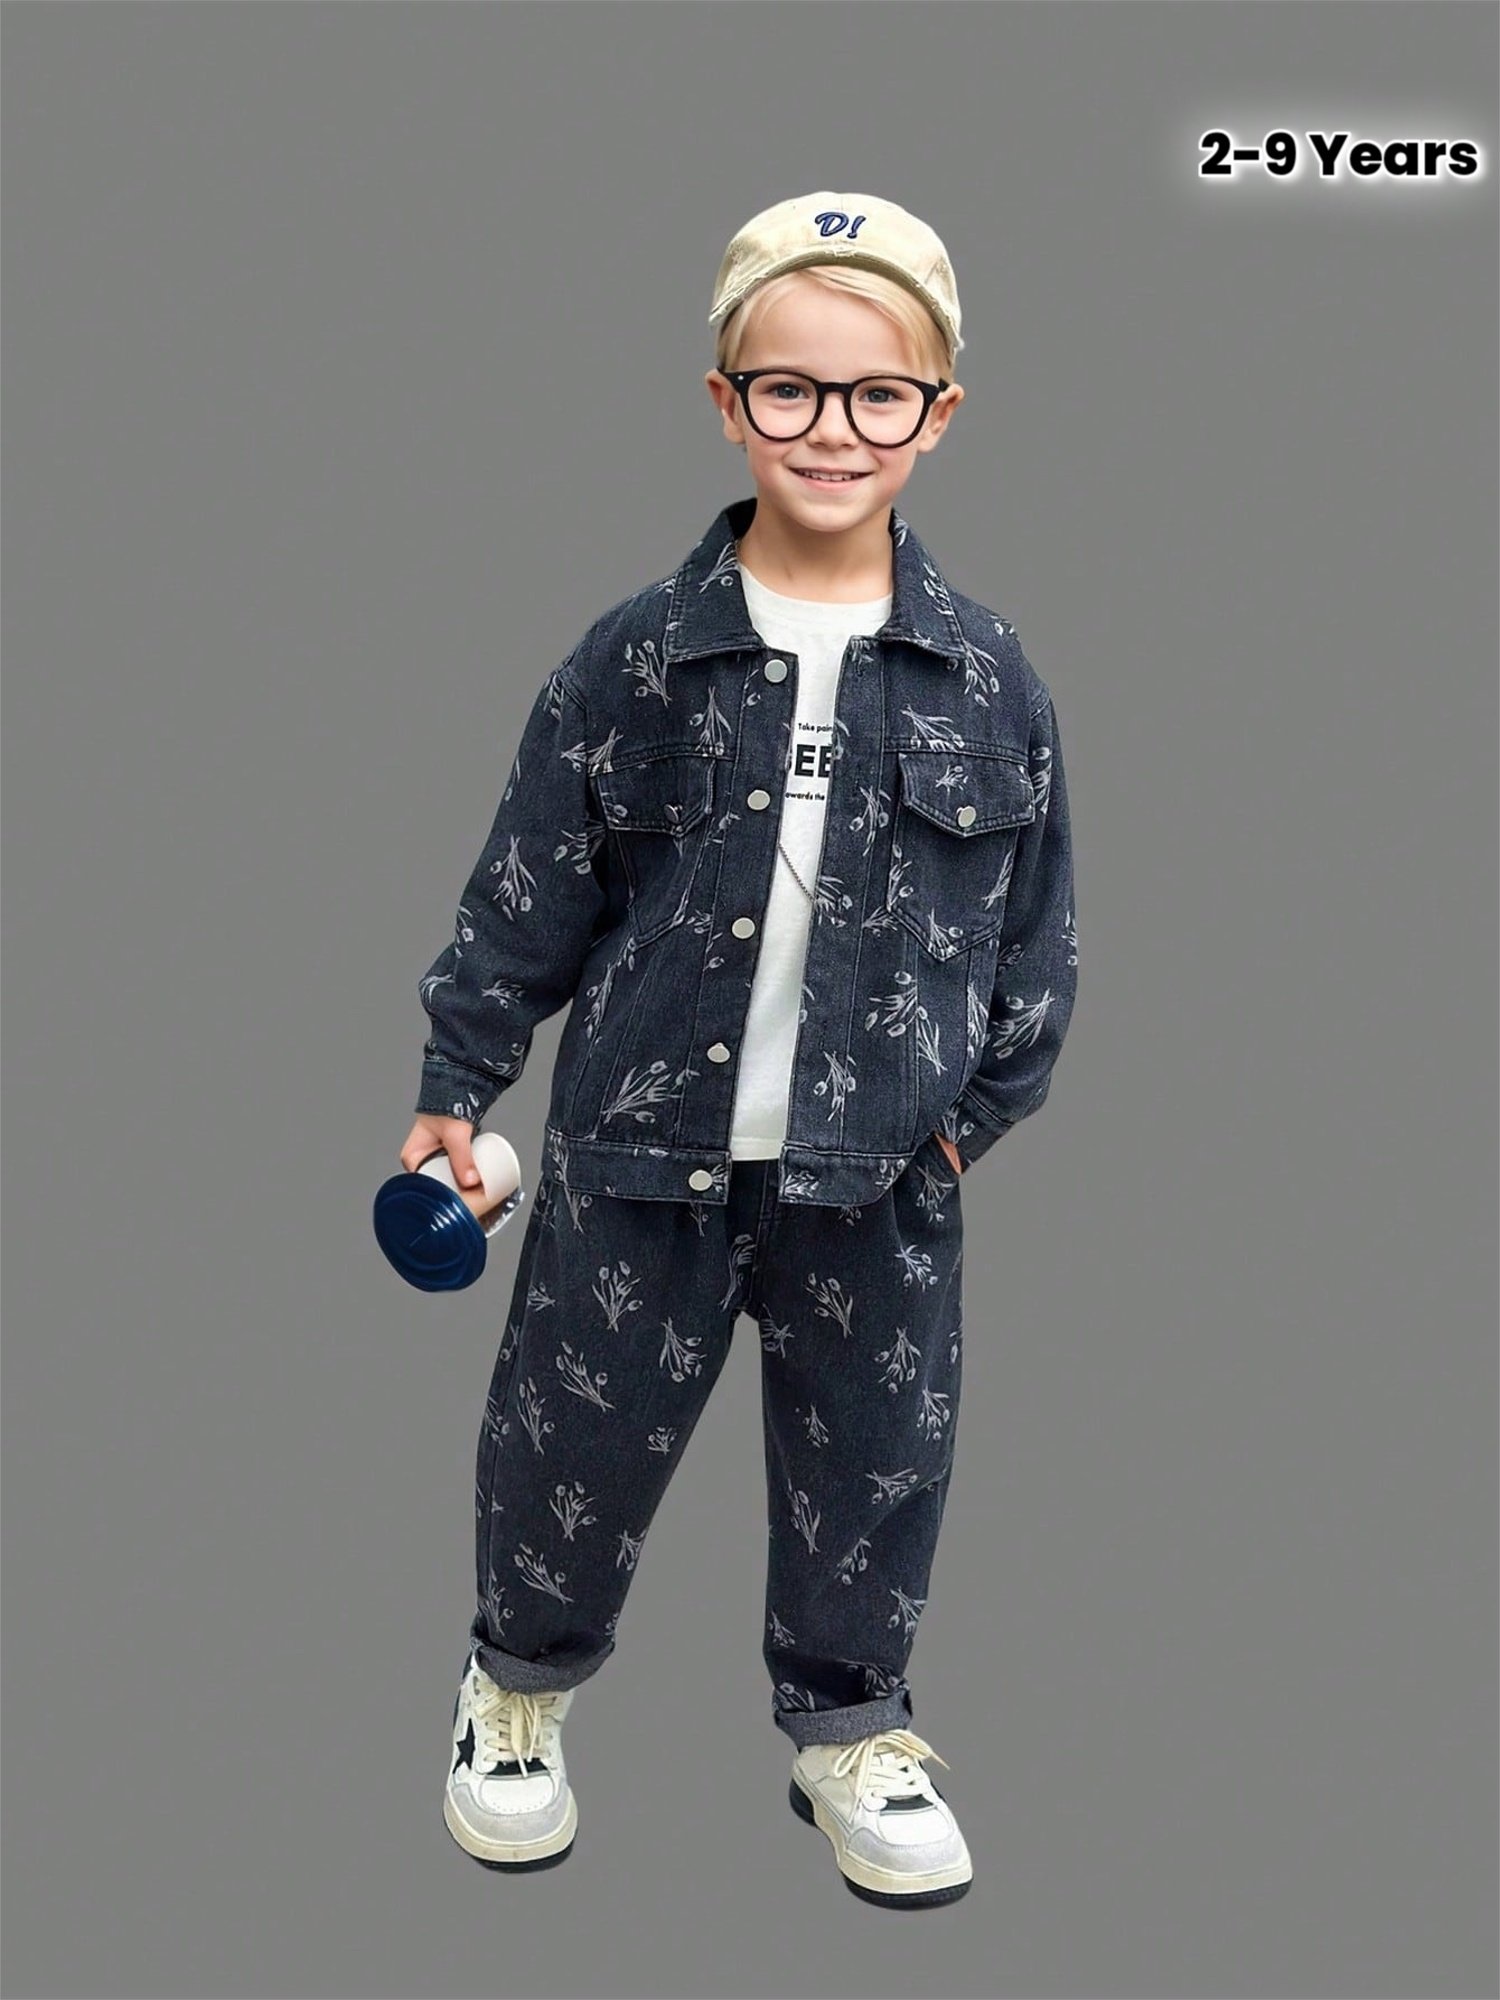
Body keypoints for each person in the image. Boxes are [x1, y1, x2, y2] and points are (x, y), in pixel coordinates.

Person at [399, 191, 1079, 1908]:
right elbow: (525, 891)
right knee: (567, 1441)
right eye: (789, 387)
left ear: (940, 413)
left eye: (877, 393)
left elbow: (1035, 938)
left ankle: (852, 1727)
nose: (832, 428)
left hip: (879, 1176)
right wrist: (457, 1086)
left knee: (875, 1464)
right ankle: (516, 1689)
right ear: (726, 400)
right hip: (636, 1164)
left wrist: (962, 1126)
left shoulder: (992, 680)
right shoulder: (633, 660)